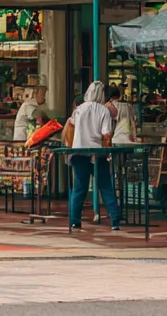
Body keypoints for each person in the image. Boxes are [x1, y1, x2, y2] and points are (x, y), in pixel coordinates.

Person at [67, 80, 119, 232]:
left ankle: (75, 221)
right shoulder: (104, 111)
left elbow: (72, 124)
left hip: (78, 152)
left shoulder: (79, 109)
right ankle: (115, 220)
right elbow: (107, 134)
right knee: (105, 186)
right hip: (97, 152)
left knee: (79, 187)